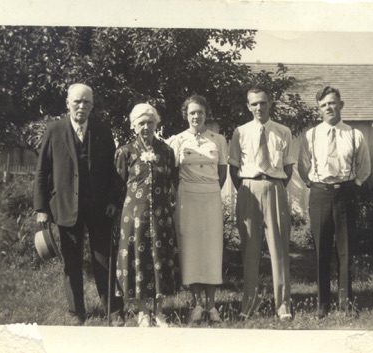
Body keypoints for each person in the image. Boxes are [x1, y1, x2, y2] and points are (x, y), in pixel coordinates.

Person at [33, 83, 124, 326]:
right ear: (68, 103)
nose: (81, 106)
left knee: (104, 260)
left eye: (86, 102)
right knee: (71, 262)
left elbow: (112, 171)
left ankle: (113, 311)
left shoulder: (103, 131)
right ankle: (76, 312)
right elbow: (42, 171)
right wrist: (41, 208)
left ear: (92, 105)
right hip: (64, 206)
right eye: (77, 102)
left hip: (98, 206)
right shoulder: (54, 130)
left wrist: (114, 200)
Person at [298, 86, 371, 319]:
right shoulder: (311, 135)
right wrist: (316, 186)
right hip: (320, 194)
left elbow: (364, 167)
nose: (328, 107)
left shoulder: (354, 134)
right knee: (321, 249)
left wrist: (352, 186)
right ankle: (323, 303)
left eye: (332, 103)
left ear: (341, 104)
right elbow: (303, 166)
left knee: (345, 249)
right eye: (323, 105)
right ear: (319, 109)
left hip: (346, 194)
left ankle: (346, 301)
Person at [228, 85, 294, 320]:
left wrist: (274, 186)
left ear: (270, 103)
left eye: (262, 102)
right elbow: (234, 167)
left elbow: (288, 166)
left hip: (275, 187)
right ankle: (248, 304)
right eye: (254, 103)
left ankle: (283, 304)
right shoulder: (240, 132)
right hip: (248, 189)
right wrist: (248, 189)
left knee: (280, 249)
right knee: (250, 250)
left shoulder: (283, 131)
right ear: (248, 107)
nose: (258, 107)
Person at [114, 103, 181, 328]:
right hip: (134, 217)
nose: (146, 127)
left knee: (160, 260)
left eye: (150, 123)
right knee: (140, 261)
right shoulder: (125, 152)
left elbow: (173, 180)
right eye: (141, 123)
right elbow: (117, 186)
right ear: (134, 126)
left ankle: (159, 312)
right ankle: (143, 312)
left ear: (156, 125)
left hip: (161, 215)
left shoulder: (166, 151)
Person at [169, 95, 228, 323]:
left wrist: (209, 188)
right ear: (186, 114)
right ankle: (197, 304)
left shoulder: (218, 140)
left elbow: (222, 173)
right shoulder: (178, 140)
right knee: (191, 249)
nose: (196, 116)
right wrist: (188, 188)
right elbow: (174, 174)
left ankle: (212, 306)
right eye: (192, 112)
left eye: (200, 112)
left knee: (212, 249)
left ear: (206, 114)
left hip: (211, 196)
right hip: (188, 197)